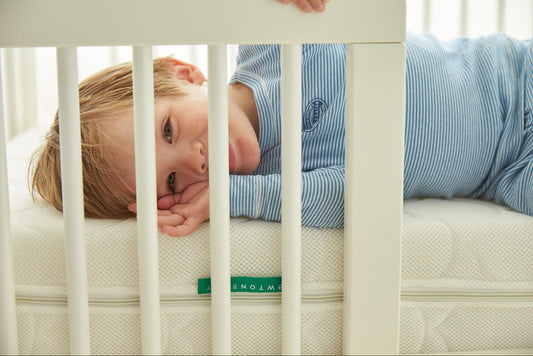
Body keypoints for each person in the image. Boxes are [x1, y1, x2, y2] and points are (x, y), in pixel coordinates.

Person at [29, 0, 533, 237]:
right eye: (172, 179)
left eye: (168, 130)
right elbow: (359, 194)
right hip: (509, 172)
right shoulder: (276, 185)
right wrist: (232, 197)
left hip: (515, 74)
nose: (196, 160)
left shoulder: (270, 38)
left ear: (181, 71)